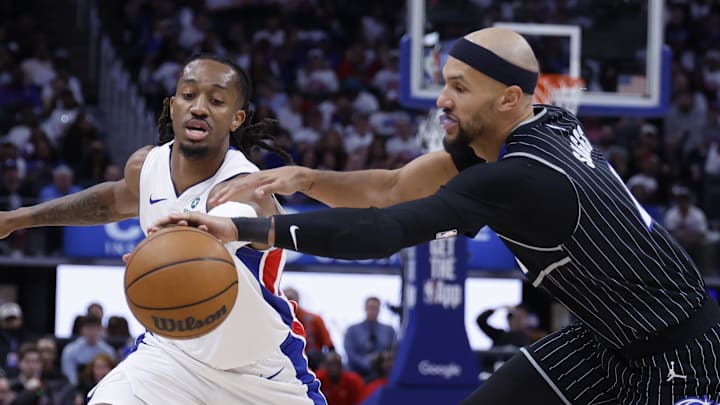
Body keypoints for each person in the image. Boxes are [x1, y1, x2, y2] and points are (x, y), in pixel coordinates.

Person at [154, 28, 720, 404]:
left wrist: (242, 230)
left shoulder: (518, 179)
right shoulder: (542, 122)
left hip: (679, 355)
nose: (441, 99)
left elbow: (385, 230)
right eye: (444, 82)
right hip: (602, 339)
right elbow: (395, 188)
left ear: (508, 99)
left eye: (458, 87)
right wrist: (308, 180)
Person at [0, 54, 325, 404]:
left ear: (236, 119)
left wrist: (176, 244)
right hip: (172, 356)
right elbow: (110, 201)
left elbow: (220, 231)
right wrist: (17, 218)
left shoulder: (248, 187)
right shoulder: (147, 165)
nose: (199, 107)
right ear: (172, 106)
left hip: (259, 372)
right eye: (188, 95)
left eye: (215, 101)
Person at [343, 297, 396, 381]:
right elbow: (350, 353)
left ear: (379, 310)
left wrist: (379, 366)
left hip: (381, 375)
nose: (373, 311)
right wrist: (367, 365)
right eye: (370, 308)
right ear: (365, 308)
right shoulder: (352, 330)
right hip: (356, 373)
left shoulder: (389, 330)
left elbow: (392, 351)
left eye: (375, 308)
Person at [283, 287, 334, 370]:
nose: (289, 302)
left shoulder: (315, 319)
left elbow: (330, 346)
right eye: (286, 299)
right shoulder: (274, 320)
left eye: (291, 299)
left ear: (298, 300)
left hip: (313, 362)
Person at [61, 316, 115, 385]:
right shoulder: (70, 350)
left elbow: (111, 376)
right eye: (88, 329)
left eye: (95, 329)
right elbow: (69, 377)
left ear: (101, 330)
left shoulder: (108, 351)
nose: (92, 333)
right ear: (81, 330)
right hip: (77, 389)